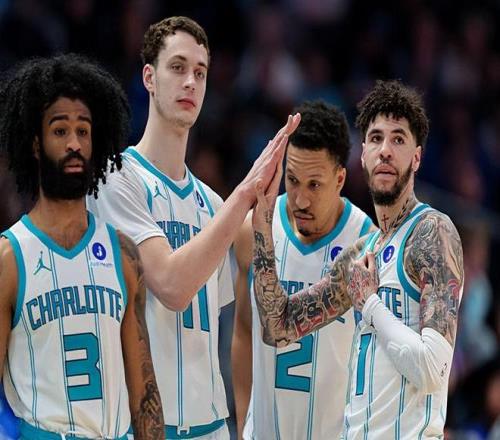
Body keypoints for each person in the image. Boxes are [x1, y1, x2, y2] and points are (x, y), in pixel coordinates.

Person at [87, 16, 300, 439]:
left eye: (200, 73)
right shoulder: (116, 179)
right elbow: (172, 285)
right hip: (142, 426)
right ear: (149, 77)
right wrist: (245, 193)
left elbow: (238, 323)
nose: (190, 82)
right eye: (178, 67)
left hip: (212, 426)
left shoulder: (213, 205)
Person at [251, 80, 464, 439]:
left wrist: (371, 304)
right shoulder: (362, 254)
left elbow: (433, 370)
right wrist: (262, 224)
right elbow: (278, 326)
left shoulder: (432, 232)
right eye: (377, 138)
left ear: (416, 157)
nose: (386, 151)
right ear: (363, 154)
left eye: (398, 139)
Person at [0, 54, 163, 439]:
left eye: (83, 131)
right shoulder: (9, 258)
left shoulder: (123, 254)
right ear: (36, 144)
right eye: (60, 131)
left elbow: (144, 392)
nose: (74, 143)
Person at [232, 100, 375, 439]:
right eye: (293, 180)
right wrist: (242, 425)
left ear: (340, 179)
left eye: (314, 185)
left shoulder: (367, 244)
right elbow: (243, 332)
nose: (300, 200)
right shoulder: (253, 229)